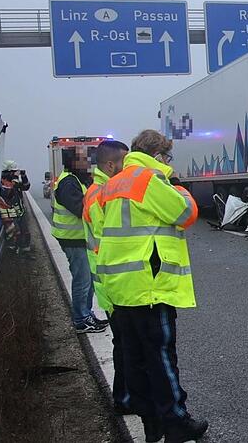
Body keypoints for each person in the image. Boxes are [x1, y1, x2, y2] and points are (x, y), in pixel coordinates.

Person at [96, 129, 207, 443]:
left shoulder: (114, 183)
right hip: (149, 285)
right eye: (167, 157)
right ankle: (175, 421)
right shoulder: (148, 179)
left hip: (121, 286)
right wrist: (179, 188)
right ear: (157, 155)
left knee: (135, 360)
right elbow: (186, 213)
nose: (168, 162)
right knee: (160, 356)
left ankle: (151, 423)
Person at [82, 140, 133, 415]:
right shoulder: (102, 194)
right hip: (112, 281)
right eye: (124, 162)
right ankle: (124, 399)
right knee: (124, 344)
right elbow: (111, 239)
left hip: (109, 279)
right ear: (111, 165)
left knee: (124, 343)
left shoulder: (98, 191)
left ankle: (126, 397)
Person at [52, 147, 107, 333]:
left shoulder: (78, 179)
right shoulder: (68, 182)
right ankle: (81, 319)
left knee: (88, 280)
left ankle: (87, 313)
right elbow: (79, 208)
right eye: (83, 159)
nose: (87, 161)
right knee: (82, 280)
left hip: (80, 238)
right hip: (73, 239)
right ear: (73, 162)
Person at [0, 160, 31, 252]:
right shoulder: (2, 183)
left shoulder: (14, 182)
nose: (15, 173)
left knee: (25, 232)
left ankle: (25, 249)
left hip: (19, 212)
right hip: (9, 214)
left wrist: (24, 176)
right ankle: (13, 252)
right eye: (14, 171)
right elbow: (8, 194)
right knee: (14, 234)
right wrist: (15, 181)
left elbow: (26, 187)